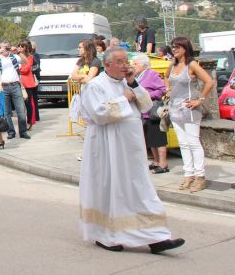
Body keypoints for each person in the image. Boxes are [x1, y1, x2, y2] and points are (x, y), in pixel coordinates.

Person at [80, 47, 185, 254]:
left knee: (139, 187)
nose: (125, 65)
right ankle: (106, 235)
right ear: (107, 64)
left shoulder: (129, 83)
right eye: (119, 62)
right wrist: (125, 98)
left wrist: (133, 85)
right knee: (112, 189)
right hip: (108, 147)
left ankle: (156, 236)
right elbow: (99, 114)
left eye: (126, 61)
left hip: (131, 146)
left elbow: (146, 105)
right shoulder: (95, 86)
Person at [164, 36, 214, 193]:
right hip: (175, 108)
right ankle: (188, 174)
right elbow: (166, 77)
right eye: (173, 47)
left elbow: (209, 81)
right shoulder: (173, 64)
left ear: (185, 48)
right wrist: (168, 90)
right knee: (183, 143)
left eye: (177, 47)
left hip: (189, 108)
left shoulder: (191, 64)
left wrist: (200, 99)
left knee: (193, 142)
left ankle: (200, 176)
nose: (174, 50)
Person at [131, 53, 169, 174]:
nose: (133, 66)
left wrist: (147, 96)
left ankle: (163, 164)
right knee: (151, 139)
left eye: (135, 64)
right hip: (144, 112)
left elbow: (162, 90)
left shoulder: (151, 74)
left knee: (159, 139)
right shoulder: (138, 76)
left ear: (143, 64)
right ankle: (156, 162)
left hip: (153, 111)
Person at [0, 41, 29, 140]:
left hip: (15, 85)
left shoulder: (14, 57)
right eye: (4, 47)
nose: (6, 49)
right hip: (4, 87)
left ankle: (23, 132)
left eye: (7, 47)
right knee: (7, 112)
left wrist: (18, 52)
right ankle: (11, 131)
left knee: (21, 111)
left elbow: (25, 61)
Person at [18, 40, 39, 129]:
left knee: (28, 103)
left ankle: (30, 121)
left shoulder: (30, 57)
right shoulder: (17, 56)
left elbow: (26, 69)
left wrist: (18, 69)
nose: (20, 48)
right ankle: (25, 121)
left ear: (26, 48)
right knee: (21, 104)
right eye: (19, 46)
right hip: (19, 82)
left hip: (28, 83)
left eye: (22, 47)